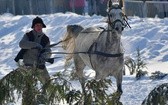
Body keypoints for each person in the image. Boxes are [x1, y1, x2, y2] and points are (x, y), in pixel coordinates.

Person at [19, 16, 51, 84]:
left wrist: (44, 57)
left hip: (40, 65)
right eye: (37, 25)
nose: (39, 27)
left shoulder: (46, 39)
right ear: (34, 26)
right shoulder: (28, 35)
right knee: (27, 87)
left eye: (40, 25)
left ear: (42, 26)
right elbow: (21, 44)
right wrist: (35, 45)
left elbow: (48, 51)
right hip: (28, 65)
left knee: (48, 83)